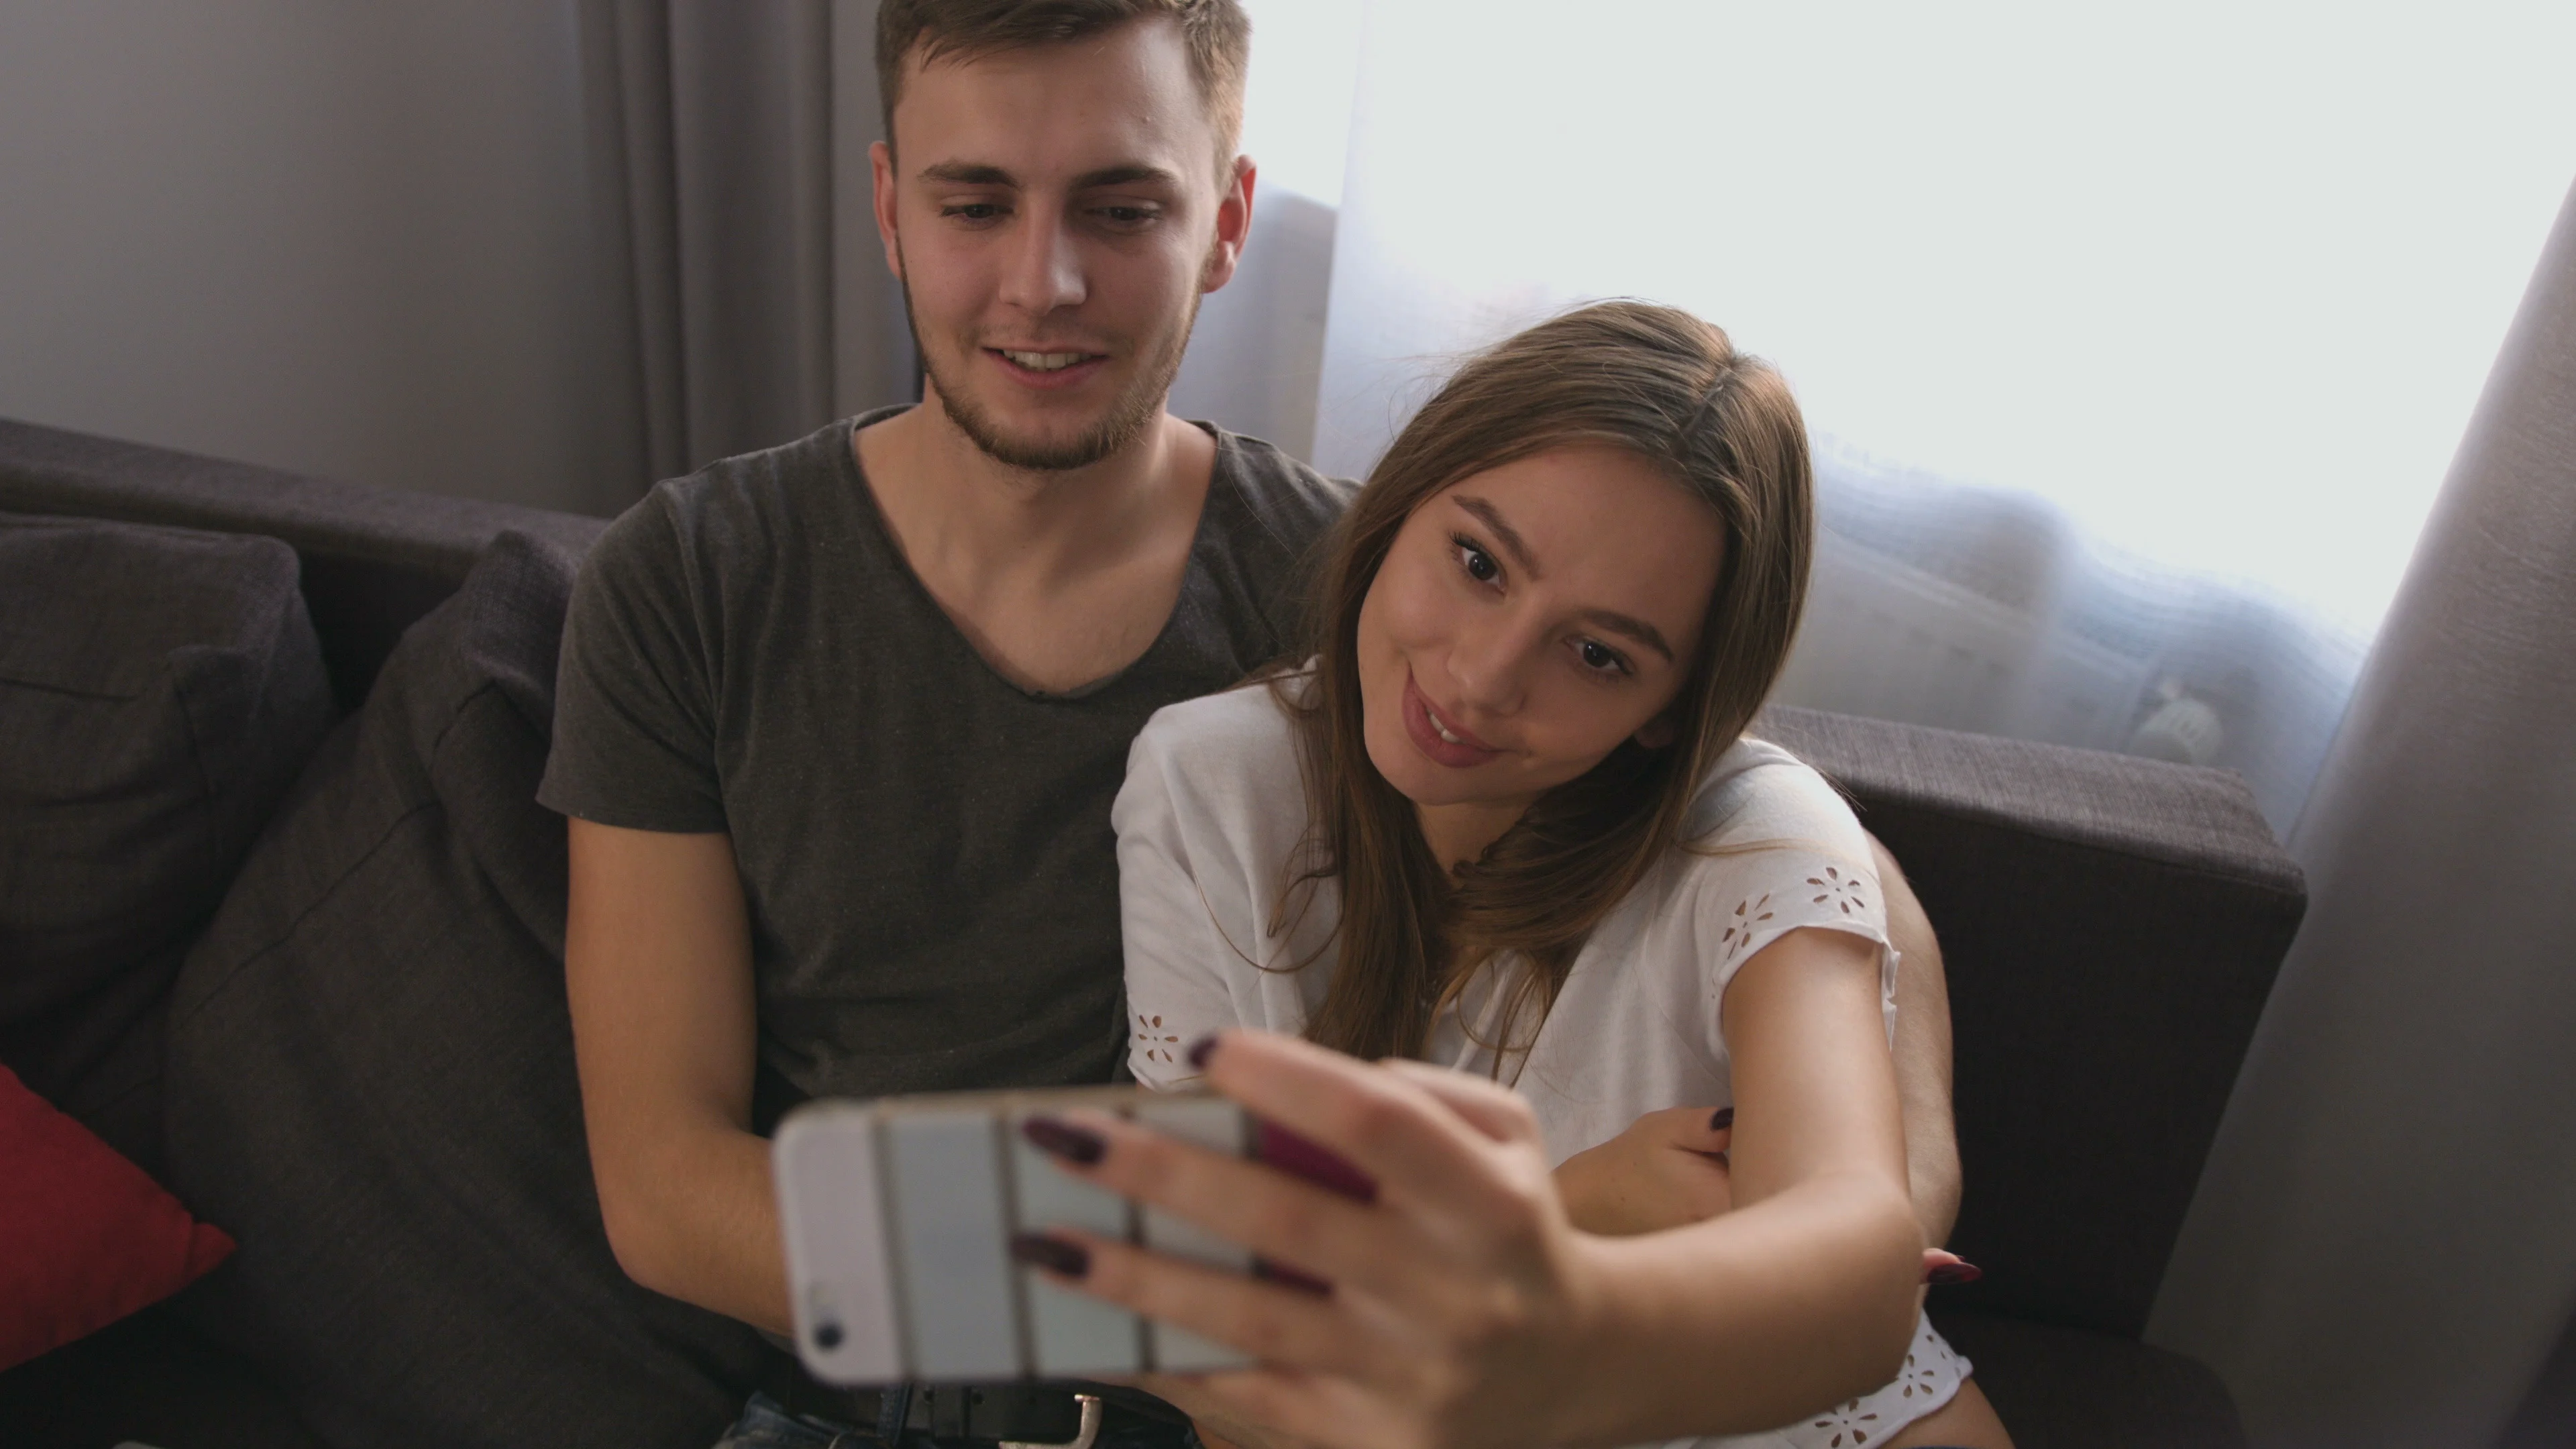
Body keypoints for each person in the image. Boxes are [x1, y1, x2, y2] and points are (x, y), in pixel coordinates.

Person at [541, 0, 1966, 1443]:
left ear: (1225, 222)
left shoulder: (1389, 599)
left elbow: (1782, 835)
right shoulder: (693, 580)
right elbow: (668, 1196)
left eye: (1120, 207)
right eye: (976, 202)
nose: (1043, 283)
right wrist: (1543, 1212)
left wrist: (1882, 1185)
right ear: (889, 208)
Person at [1012, 302, 2010, 1447]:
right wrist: (1576, 1209)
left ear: (1670, 711)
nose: (1482, 679)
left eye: (1597, 654)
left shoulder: (1759, 838)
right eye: (1479, 562)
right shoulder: (1209, 783)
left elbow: (1851, 1264)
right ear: (1399, 503)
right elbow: (1203, 1336)